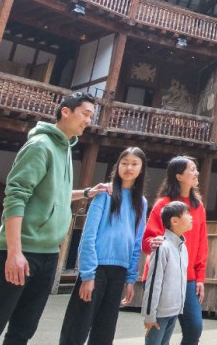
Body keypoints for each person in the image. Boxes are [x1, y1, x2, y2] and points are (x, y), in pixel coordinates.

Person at [0, 91, 111, 345]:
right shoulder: (40, 146)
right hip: (22, 251)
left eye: (91, 116)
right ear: (65, 112)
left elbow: (56, 195)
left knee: (24, 329)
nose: (89, 120)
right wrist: (14, 251)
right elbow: (15, 196)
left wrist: (87, 193)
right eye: (85, 114)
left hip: (48, 254)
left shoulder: (65, 147)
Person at [60, 147, 148, 345]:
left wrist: (131, 278)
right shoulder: (105, 194)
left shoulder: (140, 202)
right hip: (96, 268)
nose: (129, 168)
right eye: (124, 163)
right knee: (78, 325)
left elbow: (136, 242)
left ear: (141, 169)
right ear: (117, 165)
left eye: (135, 164)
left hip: (120, 270)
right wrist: (88, 275)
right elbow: (89, 235)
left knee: (105, 329)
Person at [139, 156, 209, 345]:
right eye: (192, 170)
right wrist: (155, 242)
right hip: (163, 276)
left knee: (194, 328)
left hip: (188, 278)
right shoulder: (164, 204)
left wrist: (200, 277)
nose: (196, 173)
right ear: (179, 176)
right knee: (159, 330)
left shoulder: (198, 207)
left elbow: (202, 243)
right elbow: (147, 243)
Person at [141, 200, 192, 345]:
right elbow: (153, 282)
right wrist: (150, 315)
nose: (191, 217)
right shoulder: (162, 247)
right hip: (160, 313)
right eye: (187, 214)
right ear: (174, 221)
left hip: (174, 310)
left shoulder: (183, 248)